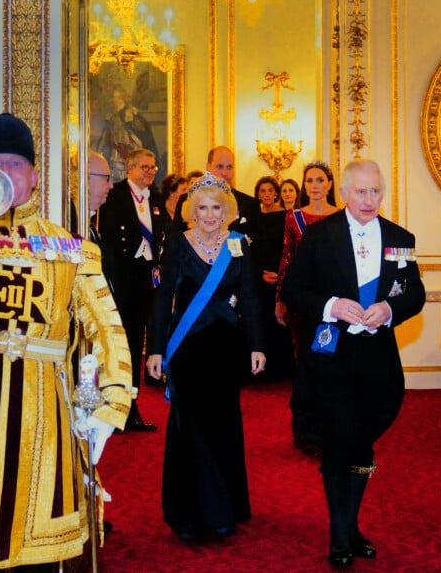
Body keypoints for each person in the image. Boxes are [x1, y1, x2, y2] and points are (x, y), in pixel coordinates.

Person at [0, 113, 132, 571]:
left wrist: (110, 404)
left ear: (34, 176)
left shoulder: (70, 249)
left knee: (36, 531)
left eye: (15, 164)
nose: (4, 172)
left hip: (41, 406)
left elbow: (106, 328)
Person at [281, 159, 425, 568]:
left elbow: (414, 293)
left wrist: (389, 308)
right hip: (331, 360)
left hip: (376, 361)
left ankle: (352, 526)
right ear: (343, 192)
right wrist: (331, 306)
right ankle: (339, 534)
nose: (368, 199)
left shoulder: (400, 237)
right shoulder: (319, 236)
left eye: (375, 191)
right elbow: (293, 290)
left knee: (362, 442)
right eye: (360, 191)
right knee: (338, 441)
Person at [145, 172, 265, 541]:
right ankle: (197, 510)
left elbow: (248, 296)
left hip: (226, 348)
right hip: (188, 348)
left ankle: (226, 501)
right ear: (191, 210)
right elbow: (165, 297)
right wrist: (156, 348)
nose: (210, 215)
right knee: (190, 424)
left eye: (216, 207)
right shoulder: (178, 243)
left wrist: (256, 345)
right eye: (203, 208)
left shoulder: (237, 244)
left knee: (222, 423)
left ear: (226, 210)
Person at [97, 148, 164, 432]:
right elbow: (110, 240)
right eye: (145, 167)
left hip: (148, 278)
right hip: (123, 279)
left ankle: (131, 407)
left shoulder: (156, 198)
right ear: (130, 167)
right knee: (121, 346)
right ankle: (114, 407)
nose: (150, 172)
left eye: (153, 167)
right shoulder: (116, 196)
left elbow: (163, 233)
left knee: (138, 344)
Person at [275, 161, 338, 452]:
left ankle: (330, 428)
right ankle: (305, 430)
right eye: (309, 180)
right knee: (304, 367)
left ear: (329, 184)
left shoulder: (342, 216)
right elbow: (286, 259)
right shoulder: (294, 218)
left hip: (334, 306)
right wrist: (279, 299)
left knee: (329, 365)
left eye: (320, 180)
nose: (314, 185)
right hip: (301, 304)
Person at [173, 147, 261, 244]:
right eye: (219, 167)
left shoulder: (250, 204)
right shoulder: (187, 200)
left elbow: (258, 248)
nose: (225, 173)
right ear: (208, 167)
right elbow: (175, 240)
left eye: (229, 167)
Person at [253, 176, 294, 382]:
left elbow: (288, 248)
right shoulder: (254, 217)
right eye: (263, 190)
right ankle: (262, 370)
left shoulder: (286, 215)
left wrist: (281, 273)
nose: (267, 194)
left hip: (281, 275)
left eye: (270, 190)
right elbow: (252, 249)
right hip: (259, 276)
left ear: (276, 193)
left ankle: (281, 370)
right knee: (262, 320)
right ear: (258, 194)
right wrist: (260, 272)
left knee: (281, 320)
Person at [98, 85, 164, 185]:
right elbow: (107, 136)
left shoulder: (130, 113)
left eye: (118, 97)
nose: (116, 100)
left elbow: (141, 132)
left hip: (129, 151)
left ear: (123, 98)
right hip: (116, 153)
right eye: (114, 97)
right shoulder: (112, 115)